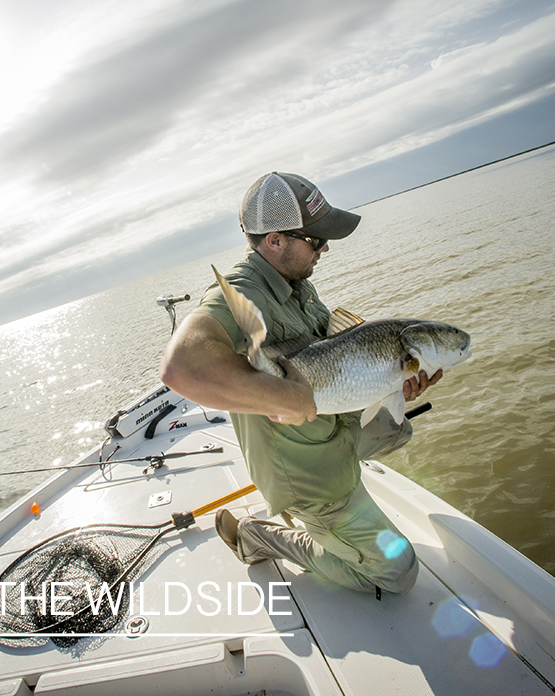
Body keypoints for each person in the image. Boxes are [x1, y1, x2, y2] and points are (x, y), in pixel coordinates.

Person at [158, 172, 441, 595]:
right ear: (275, 240)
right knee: (397, 573)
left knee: (397, 427)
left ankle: (340, 501)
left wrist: (390, 383)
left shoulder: (297, 284)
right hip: (307, 469)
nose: (325, 247)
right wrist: (288, 396)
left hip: (332, 434)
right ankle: (260, 536)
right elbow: (181, 366)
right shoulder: (241, 290)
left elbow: (333, 358)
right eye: (316, 239)